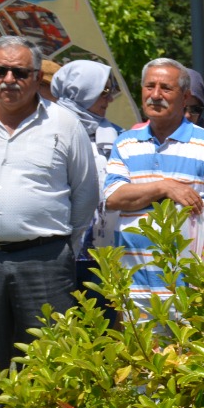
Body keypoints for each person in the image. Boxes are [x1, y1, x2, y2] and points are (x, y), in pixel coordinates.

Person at [0, 38, 96, 408]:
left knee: (51, 364)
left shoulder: (63, 123)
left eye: (20, 72)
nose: (9, 79)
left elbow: (86, 193)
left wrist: (57, 240)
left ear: (37, 75)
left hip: (44, 260)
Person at [104, 58, 204, 312]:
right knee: (141, 353)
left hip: (191, 288)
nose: (155, 95)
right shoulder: (124, 143)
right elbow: (114, 198)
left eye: (165, 88)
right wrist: (164, 187)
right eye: (149, 87)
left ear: (185, 97)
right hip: (137, 288)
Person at [48, 61, 122, 291]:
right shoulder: (49, 128)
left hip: (102, 254)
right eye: (104, 92)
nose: (109, 100)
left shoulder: (117, 135)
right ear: (83, 90)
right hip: (55, 250)